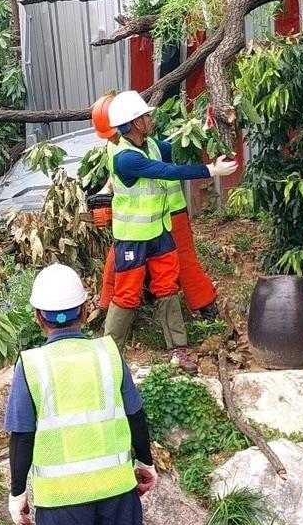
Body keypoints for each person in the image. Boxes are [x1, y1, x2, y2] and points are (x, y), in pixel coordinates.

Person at [4, 263, 157, 525]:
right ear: (85, 311)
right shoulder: (108, 354)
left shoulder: (31, 366)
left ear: (38, 317)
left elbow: (22, 437)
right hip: (117, 494)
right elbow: (135, 415)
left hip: (61, 502)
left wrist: (17, 494)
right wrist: (145, 461)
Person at [102, 91, 238, 373]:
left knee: (167, 288)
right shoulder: (126, 158)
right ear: (136, 123)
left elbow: (175, 146)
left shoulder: (148, 144)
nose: (151, 119)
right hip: (133, 237)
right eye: (147, 116)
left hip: (159, 232)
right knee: (126, 294)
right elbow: (167, 171)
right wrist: (211, 170)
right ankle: (108, 355)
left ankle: (179, 350)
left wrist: (205, 125)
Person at [90, 94, 221, 322]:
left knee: (179, 262)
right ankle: (109, 312)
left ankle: (202, 306)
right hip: (137, 225)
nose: (111, 137)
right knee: (121, 268)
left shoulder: (146, 143)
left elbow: (174, 151)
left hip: (168, 213)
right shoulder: (120, 150)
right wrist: (105, 192)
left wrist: (203, 128)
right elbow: (124, 170)